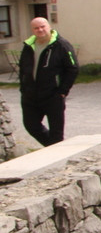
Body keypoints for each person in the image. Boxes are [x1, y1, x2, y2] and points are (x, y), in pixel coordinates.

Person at [19, 17, 79, 146]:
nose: (40, 30)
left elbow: (73, 68)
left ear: (49, 27)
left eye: (43, 27)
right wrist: (23, 88)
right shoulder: (28, 46)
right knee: (31, 126)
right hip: (30, 96)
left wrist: (63, 91)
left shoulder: (61, 45)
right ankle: (53, 148)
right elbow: (22, 68)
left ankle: (56, 150)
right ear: (32, 30)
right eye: (36, 28)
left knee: (56, 134)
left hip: (53, 96)